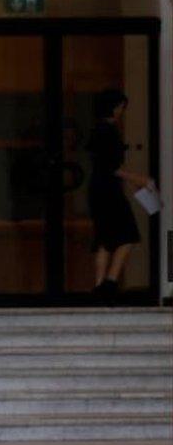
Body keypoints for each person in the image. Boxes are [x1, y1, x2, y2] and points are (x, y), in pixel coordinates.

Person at [86, 89, 153, 304]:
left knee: (105, 238)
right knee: (128, 235)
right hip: (109, 192)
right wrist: (138, 179)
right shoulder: (109, 131)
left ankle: (99, 286)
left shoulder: (97, 130)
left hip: (98, 190)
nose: (122, 112)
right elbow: (112, 166)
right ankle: (110, 283)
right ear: (115, 107)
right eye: (121, 107)